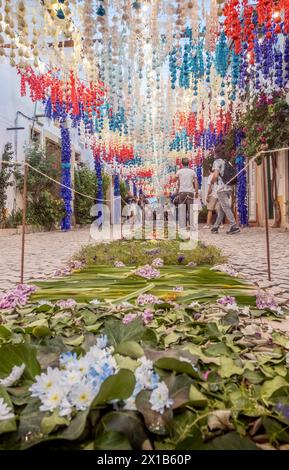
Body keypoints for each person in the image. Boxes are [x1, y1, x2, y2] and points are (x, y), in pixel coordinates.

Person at [210, 143, 240, 235]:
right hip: (229, 187)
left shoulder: (217, 162)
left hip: (221, 188)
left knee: (225, 207)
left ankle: (234, 226)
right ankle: (215, 227)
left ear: (216, 153)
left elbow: (215, 175)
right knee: (223, 208)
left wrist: (211, 182)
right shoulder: (227, 162)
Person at [176, 157, 199, 229]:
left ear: (182, 164)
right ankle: (192, 226)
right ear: (188, 163)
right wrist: (197, 192)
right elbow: (196, 183)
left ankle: (183, 226)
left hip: (182, 192)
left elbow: (178, 183)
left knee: (182, 209)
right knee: (190, 209)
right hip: (190, 192)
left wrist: (177, 192)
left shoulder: (179, 172)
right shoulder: (192, 172)